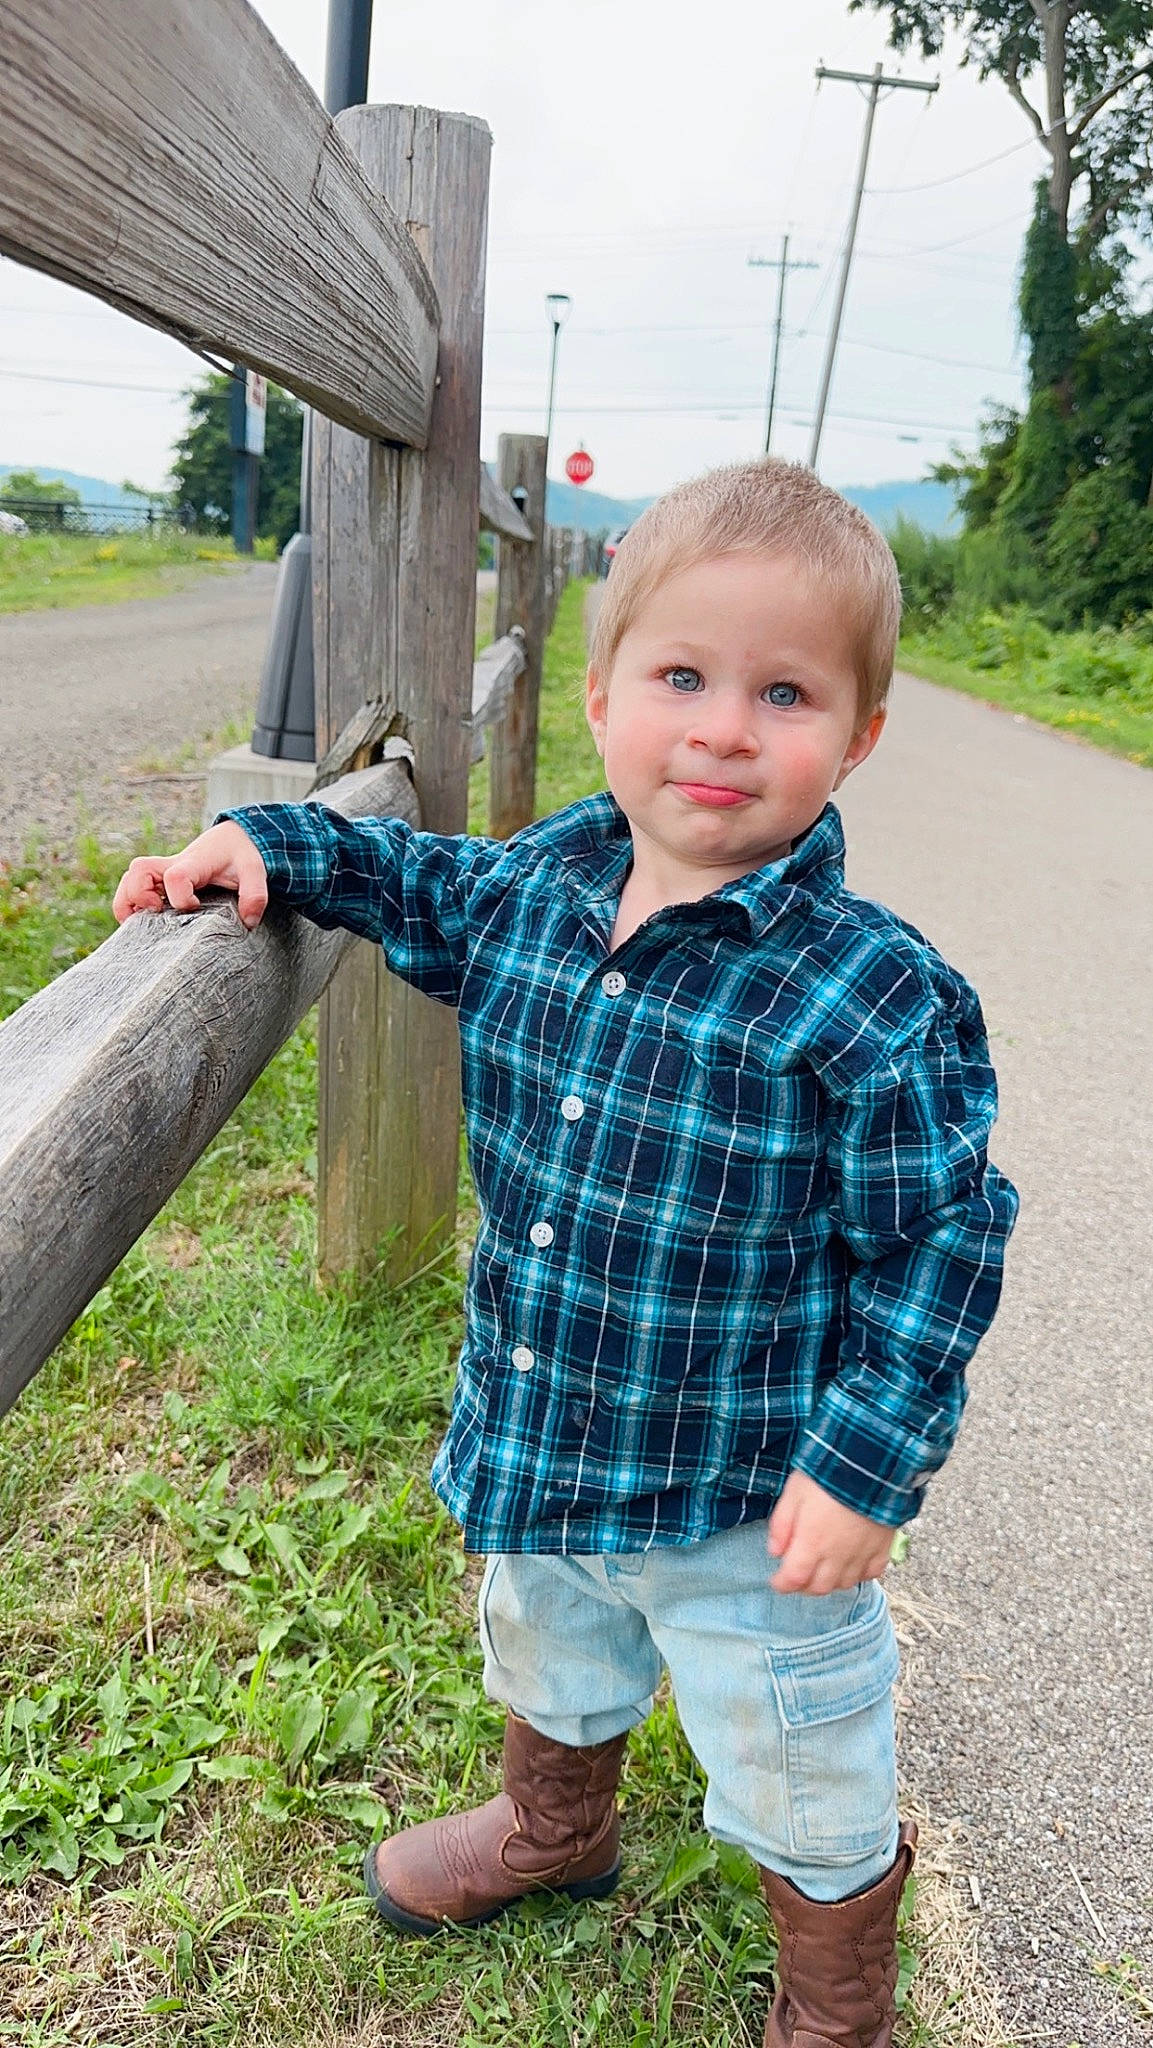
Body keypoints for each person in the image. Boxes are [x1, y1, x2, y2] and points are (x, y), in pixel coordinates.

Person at [113, 459, 1018, 2048]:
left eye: (785, 692)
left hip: (745, 1495)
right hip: (539, 1439)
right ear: (601, 699)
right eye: (682, 677)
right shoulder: (536, 890)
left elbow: (940, 1240)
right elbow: (407, 872)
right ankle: (554, 1829)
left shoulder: (874, 997)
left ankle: (835, 2004)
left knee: (797, 1749)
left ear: (857, 736)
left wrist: (869, 1463)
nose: (726, 727)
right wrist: (260, 844)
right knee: (548, 1649)